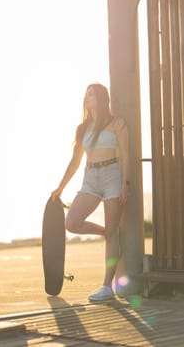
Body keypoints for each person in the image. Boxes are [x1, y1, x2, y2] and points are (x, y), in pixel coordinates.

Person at [51, 83, 130, 301]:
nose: (87, 97)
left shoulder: (117, 123)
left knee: (113, 234)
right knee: (72, 222)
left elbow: (125, 155)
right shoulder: (82, 128)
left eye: (92, 94)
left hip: (112, 175)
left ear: (102, 98)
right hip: (90, 179)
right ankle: (106, 232)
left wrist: (126, 183)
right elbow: (75, 161)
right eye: (86, 94)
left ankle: (107, 287)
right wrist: (61, 186)